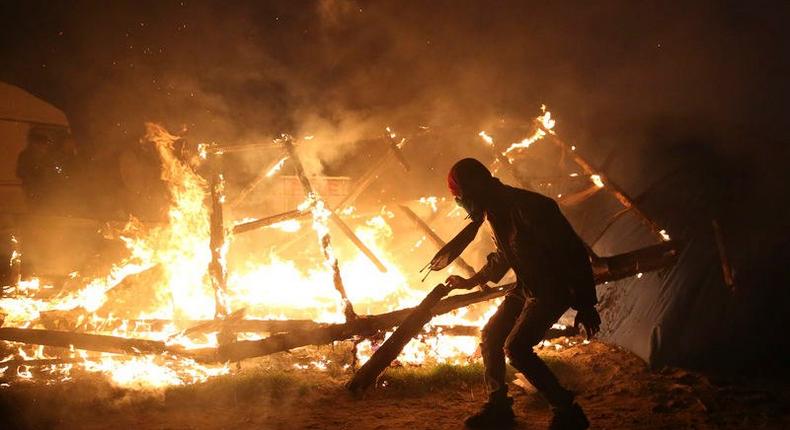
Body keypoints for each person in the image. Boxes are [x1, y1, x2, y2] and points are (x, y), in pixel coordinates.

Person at [443, 158, 600, 429]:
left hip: (553, 289)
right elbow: (504, 256)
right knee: (492, 335)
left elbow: (573, 254)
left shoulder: (531, 207)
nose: (463, 206)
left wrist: (586, 303)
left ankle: (567, 411)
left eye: (461, 198)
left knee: (516, 348)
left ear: (474, 189)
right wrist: (471, 281)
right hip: (527, 287)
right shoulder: (495, 211)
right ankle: (499, 408)